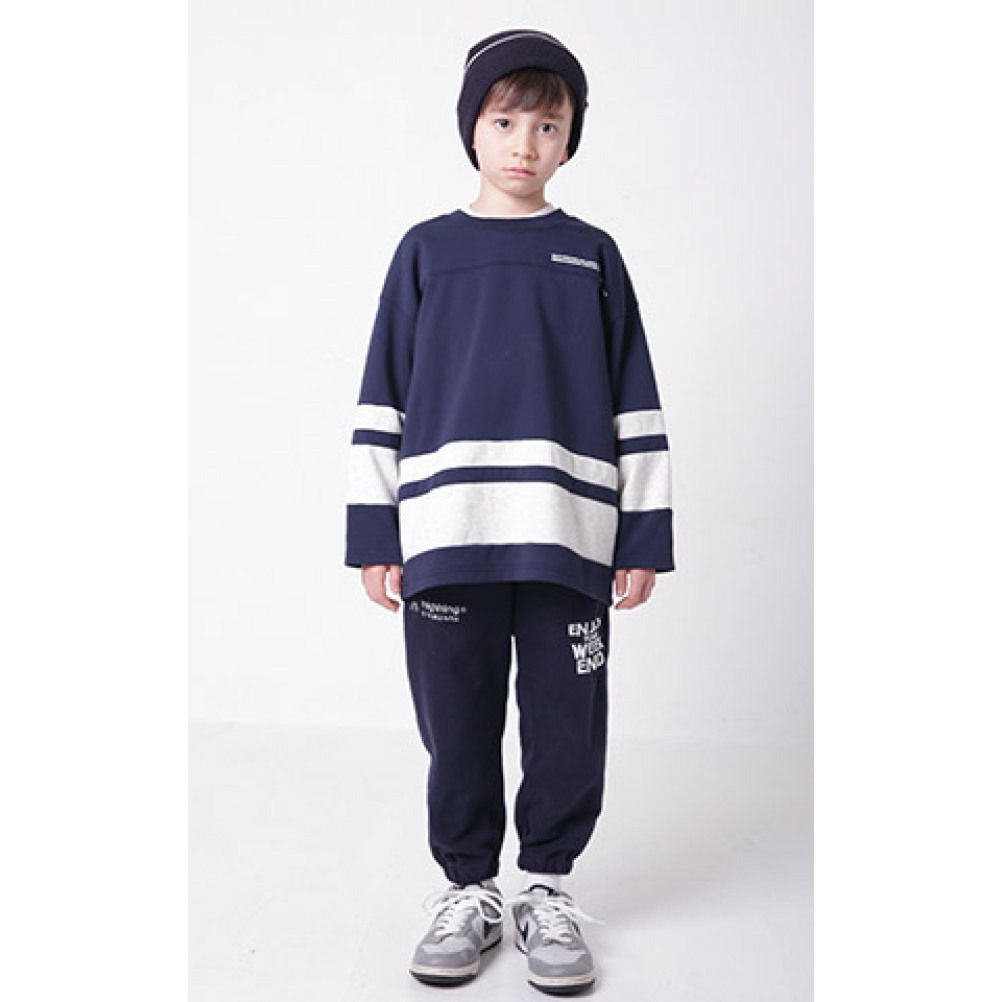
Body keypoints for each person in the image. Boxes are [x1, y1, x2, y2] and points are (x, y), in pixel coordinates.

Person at [345, 27, 675, 995]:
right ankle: (467, 890)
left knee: (567, 722)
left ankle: (547, 889)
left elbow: (635, 402)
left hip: (571, 542)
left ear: (569, 140)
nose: (524, 143)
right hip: (446, 538)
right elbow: (382, 397)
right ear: (472, 130)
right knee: (457, 721)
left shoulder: (592, 255)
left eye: (547, 125)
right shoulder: (427, 252)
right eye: (504, 122)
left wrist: (643, 534)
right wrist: (374, 532)